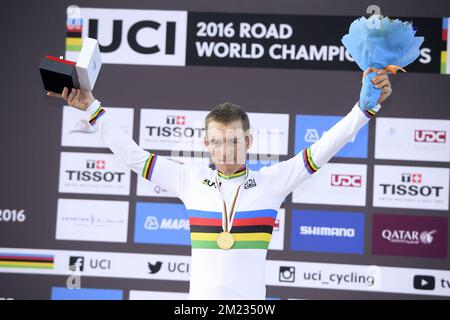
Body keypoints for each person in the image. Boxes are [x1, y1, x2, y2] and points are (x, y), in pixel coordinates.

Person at [47, 68, 392, 300]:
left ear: (249, 142)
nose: (225, 151)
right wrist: (91, 107)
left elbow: (325, 146)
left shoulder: (273, 181)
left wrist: (362, 110)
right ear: (205, 144)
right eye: (217, 142)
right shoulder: (189, 179)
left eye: (234, 142)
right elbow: (133, 156)